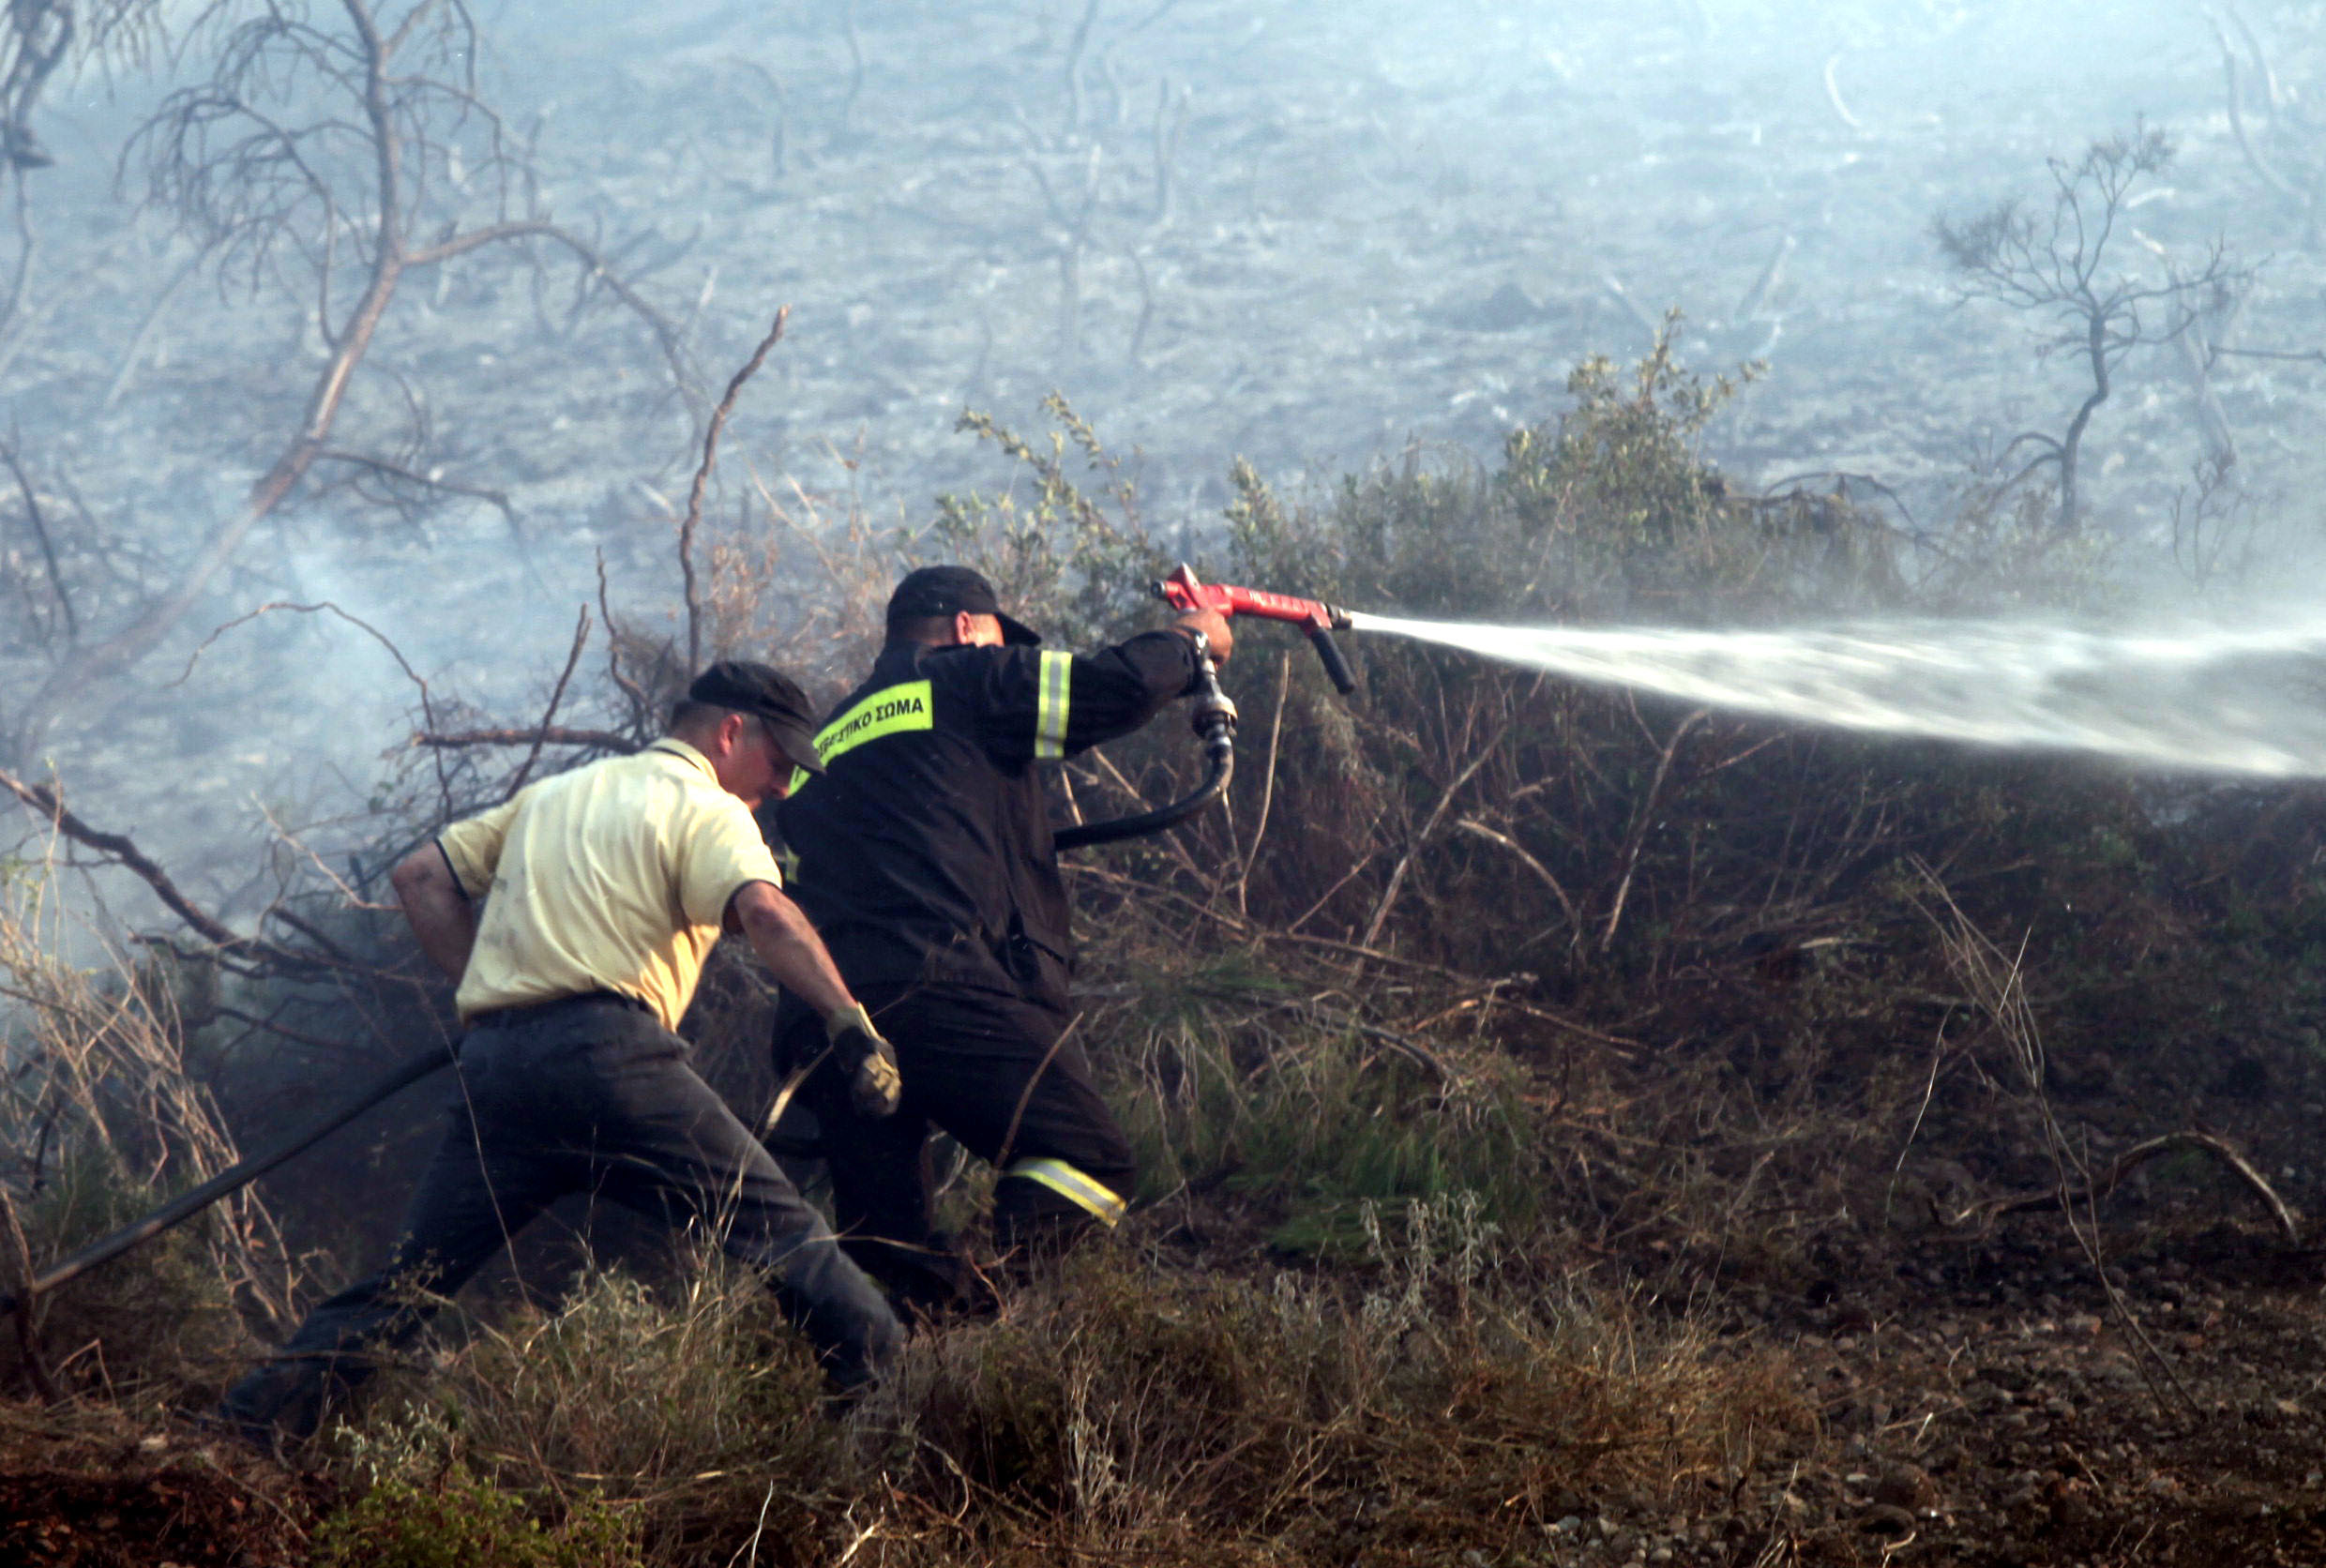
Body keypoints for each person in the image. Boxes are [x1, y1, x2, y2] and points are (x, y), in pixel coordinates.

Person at [218, 661, 907, 1448]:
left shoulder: (553, 796)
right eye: (779, 763)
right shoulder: (706, 806)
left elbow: (419, 877)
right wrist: (852, 1024)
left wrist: (492, 992)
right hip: (615, 1065)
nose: (782, 787)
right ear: (729, 733)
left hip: (502, 1071)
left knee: (405, 1289)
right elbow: (767, 913)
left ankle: (240, 1438)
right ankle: (889, 1422)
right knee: (786, 1241)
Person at [770, 565, 1231, 1316]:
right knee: (1090, 1160)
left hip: (829, 1023)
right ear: (963, 629)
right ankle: (986, 1322)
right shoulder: (960, 679)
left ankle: (903, 1384)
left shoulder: (820, 745)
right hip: (940, 984)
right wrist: (1191, 642)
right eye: (993, 636)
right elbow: (1107, 687)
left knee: (889, 1249)